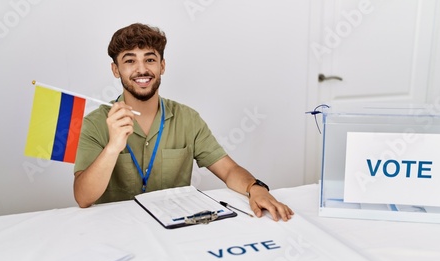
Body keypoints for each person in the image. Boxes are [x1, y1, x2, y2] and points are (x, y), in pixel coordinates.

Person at [73, 23, 293, 222]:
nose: (141, 69)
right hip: (117, 229)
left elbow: (228, 170)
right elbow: (83, 198)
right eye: (130, 61)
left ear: (162, 66)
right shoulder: (95, 123)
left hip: (174, 230)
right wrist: (113, 147)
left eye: (149, 59)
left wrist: (256, 188)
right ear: (115, 70)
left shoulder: (188, 118)